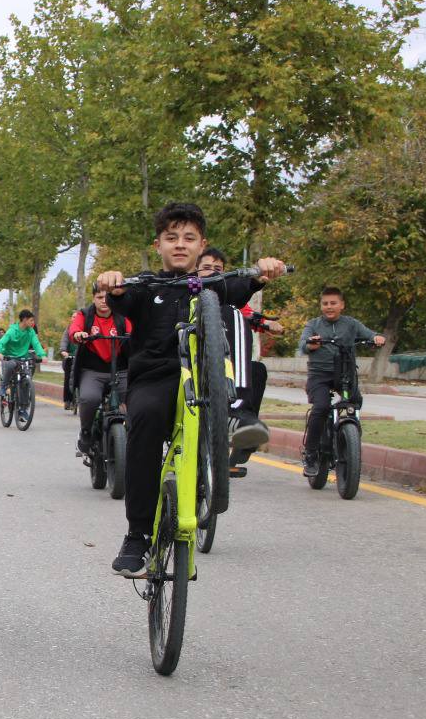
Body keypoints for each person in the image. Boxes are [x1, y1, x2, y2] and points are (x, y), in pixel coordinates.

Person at [94, 203, 285, 576]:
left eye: (189, 238)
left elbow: (245, 286)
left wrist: (263, 273)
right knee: (144, 420)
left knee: (234, 315)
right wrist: (111, 283)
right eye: (171, 238)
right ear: (158, 245)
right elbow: (120, 297)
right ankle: (137, 535)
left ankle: (240, 416)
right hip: (158, 379)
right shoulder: (145, 286)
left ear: (202, 245)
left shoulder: (215, 283)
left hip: (211, 380)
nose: (179, 245)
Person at [197, 246, 282, 456]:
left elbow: (246, 305)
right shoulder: (184, 290)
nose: (212, 272)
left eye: (218, 268)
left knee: (258, 370)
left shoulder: (229, 295)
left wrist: (258, 279)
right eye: (206, 267)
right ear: (195, 270)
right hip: (191, 362)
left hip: (223, 363)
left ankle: (241, 421)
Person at [298, 286, 386, 477]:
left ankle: (348, 441)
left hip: (344, 375)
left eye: (333, 303)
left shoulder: (351, 324)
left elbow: (370, 335)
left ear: (342, 305)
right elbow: (303, 344)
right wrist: (310, 344)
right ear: (321, 305)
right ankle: (311, 453)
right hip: (319, 376)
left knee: (354, 402)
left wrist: (376, 338)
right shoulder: (313, 324)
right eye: (325, 303)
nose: (329, 307)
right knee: (320, 407)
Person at [67, 283, 130, 452]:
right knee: (89, 398)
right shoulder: (85, 315)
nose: (103, 301)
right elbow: (74, 329)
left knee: (134, 399)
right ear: (93, 298)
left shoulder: (122, 315)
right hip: (93, 371)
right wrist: (78, 334)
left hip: (120, 370)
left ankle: (130, 437)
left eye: (106, 297)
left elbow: (133, 331)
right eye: (99, 297)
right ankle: (86, 431)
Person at [0, 309, 46, 400]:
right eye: (31, 320)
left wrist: (42, 355)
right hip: (10, 357)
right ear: (24, 320)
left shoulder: (30, 331)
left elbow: (36, 343)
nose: (33, 323)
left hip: (23, 358)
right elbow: (1, 342)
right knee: (10, 365)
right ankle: (3, 387)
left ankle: (23, 408)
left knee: (26, 377)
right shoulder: (12, 331)